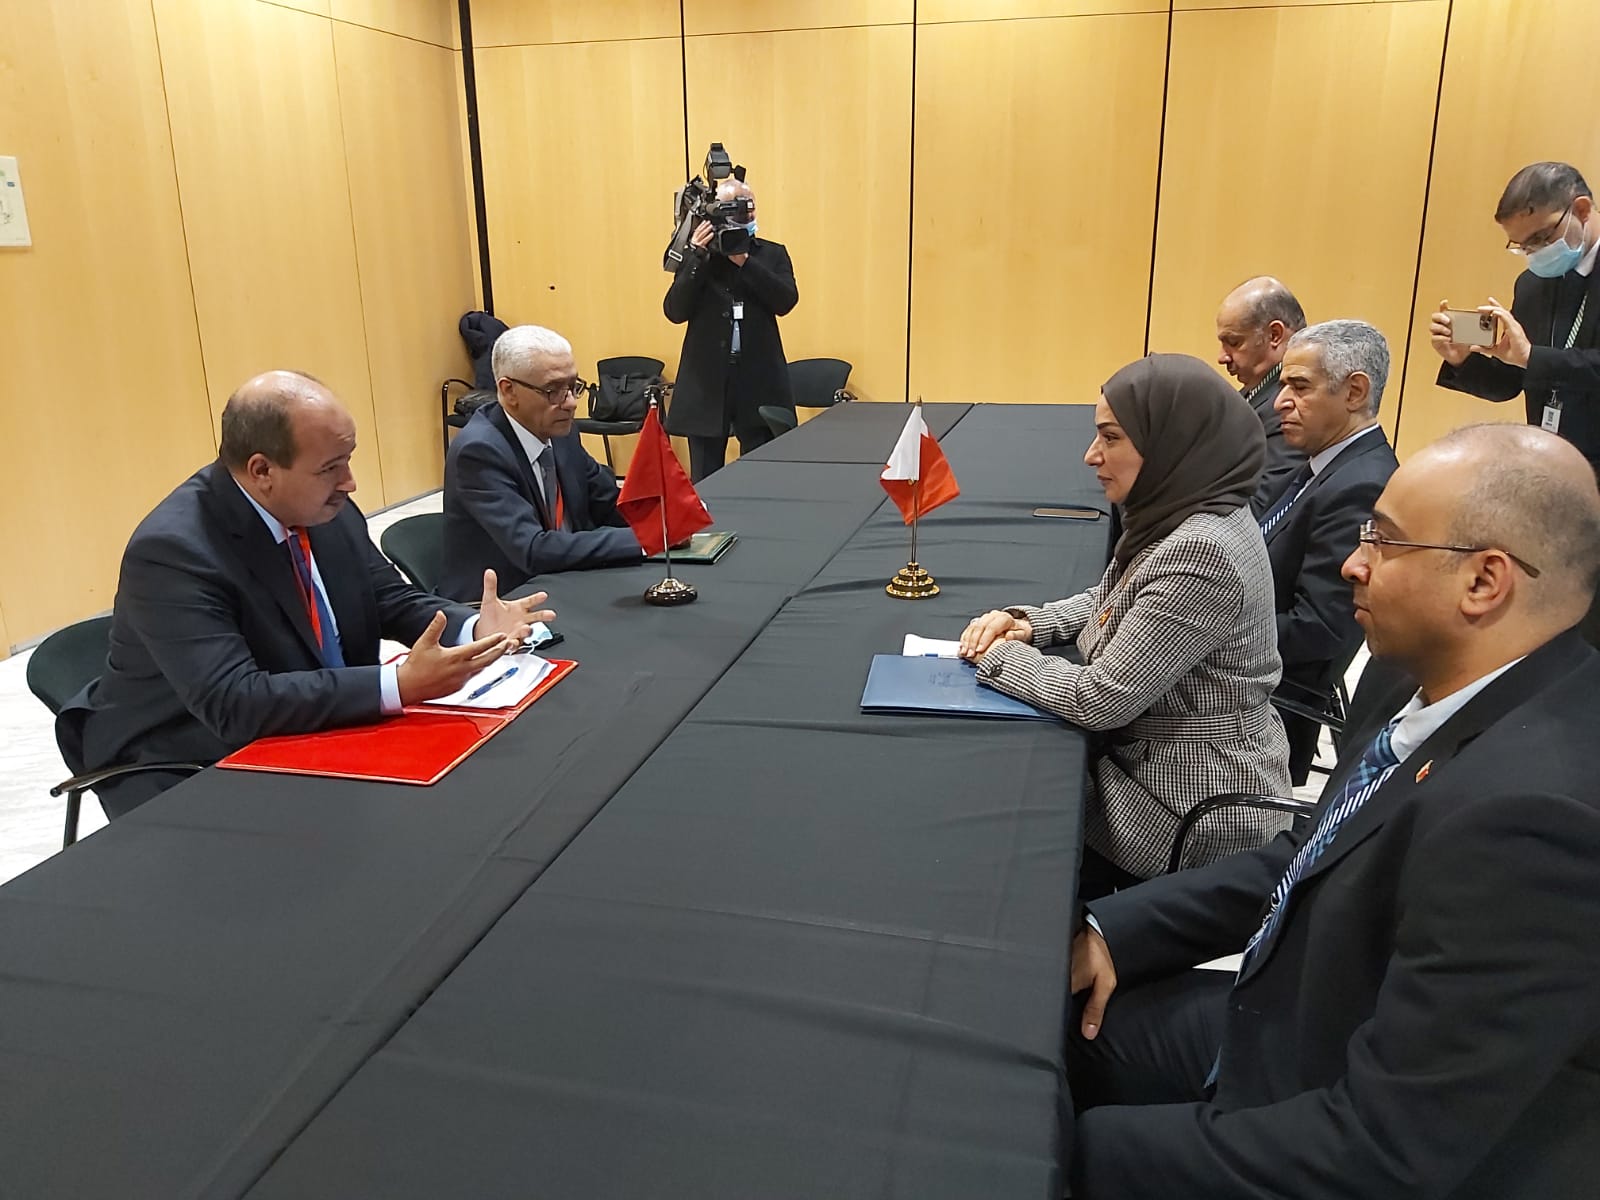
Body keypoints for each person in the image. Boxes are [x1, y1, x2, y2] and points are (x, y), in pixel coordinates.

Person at [1066, 422, 1600, 1200]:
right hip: (1292, 1012)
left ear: (1485, 582)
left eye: (1383, 543)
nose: (1353, 564)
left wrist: (1081, 1157)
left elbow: (1381, 1152)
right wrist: (1116, 932)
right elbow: (1307, 860)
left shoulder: (1534, 821)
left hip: (1335, 1101)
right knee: (1042, 1025)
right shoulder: (1419, 681)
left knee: (1042, 1136)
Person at [55, 371, 556, 818]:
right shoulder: (173, 551)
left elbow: (385, 598)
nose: (350, 482)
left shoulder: (323, 507)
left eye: (349, 460)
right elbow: (235, 703)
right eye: (331, 468)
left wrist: (472, 626)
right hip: (182, 754)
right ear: (262, 471)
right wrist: (398, 685)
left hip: (306, 720)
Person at [958, 354, 1291, 897]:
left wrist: (996, 656)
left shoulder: (1201, 549)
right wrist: (1031, 624)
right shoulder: (1194, 507)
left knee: (998, 842)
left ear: (1168, 442)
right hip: (1160, 766)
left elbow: (1101, 699)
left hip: (1180, 803)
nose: (1092, 456)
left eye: (1110, 438)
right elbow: (1120, 595)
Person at [1259, 320, 1399, 781]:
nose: (1280, 402)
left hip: (1266, 705)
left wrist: (1210, 635)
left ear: (1355, 392)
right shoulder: (1324, 463)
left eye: (1299, 387)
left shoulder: (1361, 484)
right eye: (1282, 386)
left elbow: (1319, 629)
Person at [440, 324, 642, 600]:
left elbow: (608, 502)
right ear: (509, 391)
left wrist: (663, 516)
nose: (570, 403)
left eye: (573, 386)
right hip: (507, 601)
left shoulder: (560, 431)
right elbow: (533, 550)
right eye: (553, 390)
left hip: (567, 579)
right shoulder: (479, 452)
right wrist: (646, 537)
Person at [1432, 162, 1600, 467]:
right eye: (1522, 246)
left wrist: (1532, 358)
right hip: (1551, 463)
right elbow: (1511, 381)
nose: (1534, 253)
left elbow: (1539, 361)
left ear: (1582, 210)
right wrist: (1462, 359)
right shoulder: (1532, 284)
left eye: (1541, 238)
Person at [663, 176, 798, 482]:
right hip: (707, 383)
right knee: (706, 479)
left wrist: (745, 262)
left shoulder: (771, 253)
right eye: (735, 210)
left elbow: (786, 301)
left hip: (758, 379)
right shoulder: (699, 257)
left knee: (762, 477)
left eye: (750, 209)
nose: (745, 217)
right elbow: (675, 310)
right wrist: (696, 256)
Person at [1214, 276, 1308, 509]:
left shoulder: (1288, 409)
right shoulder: (1253, 392)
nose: (1222, 357)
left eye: (1234, 343)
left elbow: (1262, 507)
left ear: (1274, 335)